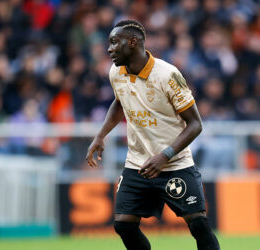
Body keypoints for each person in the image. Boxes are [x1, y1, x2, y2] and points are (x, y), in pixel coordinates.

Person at [86, 20, 220, 250]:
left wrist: (165, 155)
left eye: (114, 42)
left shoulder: (167, 75)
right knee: (124, 225)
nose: (109, 49)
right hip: (138, 163)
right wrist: (100, 136)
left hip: (174, 163)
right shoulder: (115, 72)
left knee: (198, 224)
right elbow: (119, 102)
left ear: (133, 42)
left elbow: (196, 124)